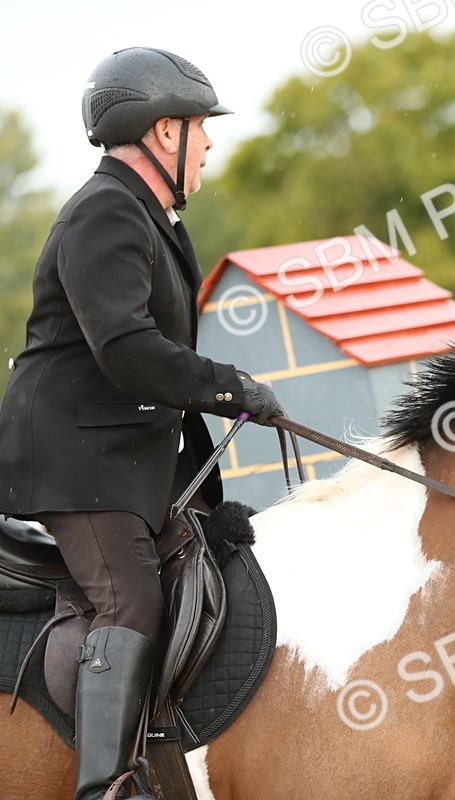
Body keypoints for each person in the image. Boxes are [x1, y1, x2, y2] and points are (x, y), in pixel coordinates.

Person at [0, 48, 282, 800]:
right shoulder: (104, 211)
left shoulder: (146, 215)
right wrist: (233, 389)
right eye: (201, 127)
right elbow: (126, 350)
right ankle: (109, 789)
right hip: (76, 461)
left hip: (120, 457)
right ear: (165, 133)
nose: (211, 144)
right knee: (131, 599)